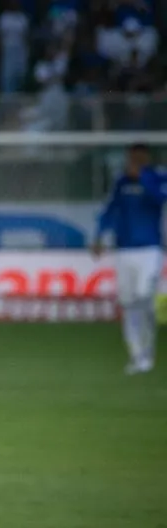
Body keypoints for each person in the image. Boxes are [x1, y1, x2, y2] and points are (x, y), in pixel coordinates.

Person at [92, 143, 166, 375]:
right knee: (129, 303)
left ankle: (147, 353)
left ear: (146, 158)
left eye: (138, 158)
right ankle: (136, 354)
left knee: (145, 298)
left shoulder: (157, 178)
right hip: (124, 250)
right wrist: (99, 237)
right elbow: (109, 211)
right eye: (131, 158)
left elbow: (159, 200)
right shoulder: (121, 183)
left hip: (150, 249)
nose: (133, 162)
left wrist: (143, 178)